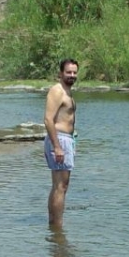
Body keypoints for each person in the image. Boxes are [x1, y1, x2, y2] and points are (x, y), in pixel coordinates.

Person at [43, 58, 79, 227]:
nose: (72, 75)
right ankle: (57, 228)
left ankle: (54, 225)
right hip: (59, 140)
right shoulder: (57, 91)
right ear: (60, 73)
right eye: (68, 72)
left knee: (59, 185)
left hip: (65, 140)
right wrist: (57, 146)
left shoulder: (67, 92)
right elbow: (48, 119)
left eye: (74, 72)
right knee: (61, 186)